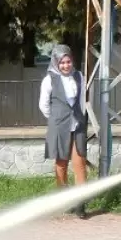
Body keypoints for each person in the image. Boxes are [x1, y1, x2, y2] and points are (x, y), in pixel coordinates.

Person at [39, 44, 90, 220]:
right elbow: (43, 105)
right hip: (59, 125)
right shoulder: (49, 80)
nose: (66, 65)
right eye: (62, 62)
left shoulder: (79, 76)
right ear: (56, 63)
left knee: (80, 162)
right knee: (61, 163)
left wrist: (80, 117)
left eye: (68, 61)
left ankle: (80, 203)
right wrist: (56, 119)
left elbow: (82, 100)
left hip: (77, 125)